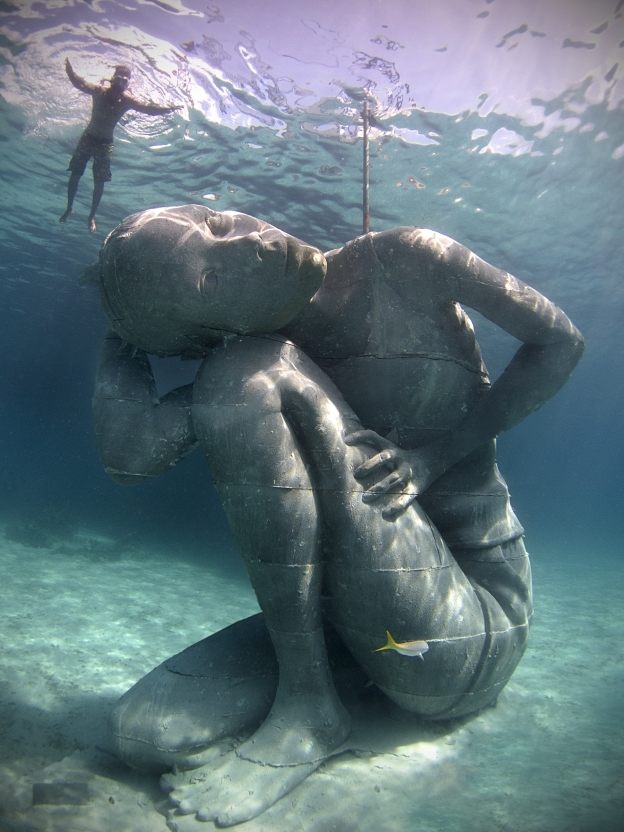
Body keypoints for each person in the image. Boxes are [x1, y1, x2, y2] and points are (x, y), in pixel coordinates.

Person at [91, 205, 584, 826]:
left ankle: (309, 707)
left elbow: (561, 340)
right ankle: (332, 687)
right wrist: (124, 335)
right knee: (144, 731)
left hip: (478, 625)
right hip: (374, 630)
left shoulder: (407, 260)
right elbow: (129, 457)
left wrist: (436, 458)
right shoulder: (270, 360)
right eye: (210, 281)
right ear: (211, 326)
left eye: (214, 221)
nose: (249, 243)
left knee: (244, 372)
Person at [59, 59, 181, 232]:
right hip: (88, 138)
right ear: (113, 78)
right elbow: (79, 83)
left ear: (128, 83)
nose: (123, 80)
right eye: (120, 76)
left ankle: (92, 215)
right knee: (75, 174)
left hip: (105, 144)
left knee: (99, 182)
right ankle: (69, 208)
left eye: (126, 78)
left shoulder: (127, 101)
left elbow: (148, 109)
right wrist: (69, 70)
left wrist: (169, 109)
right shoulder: (99, 91)